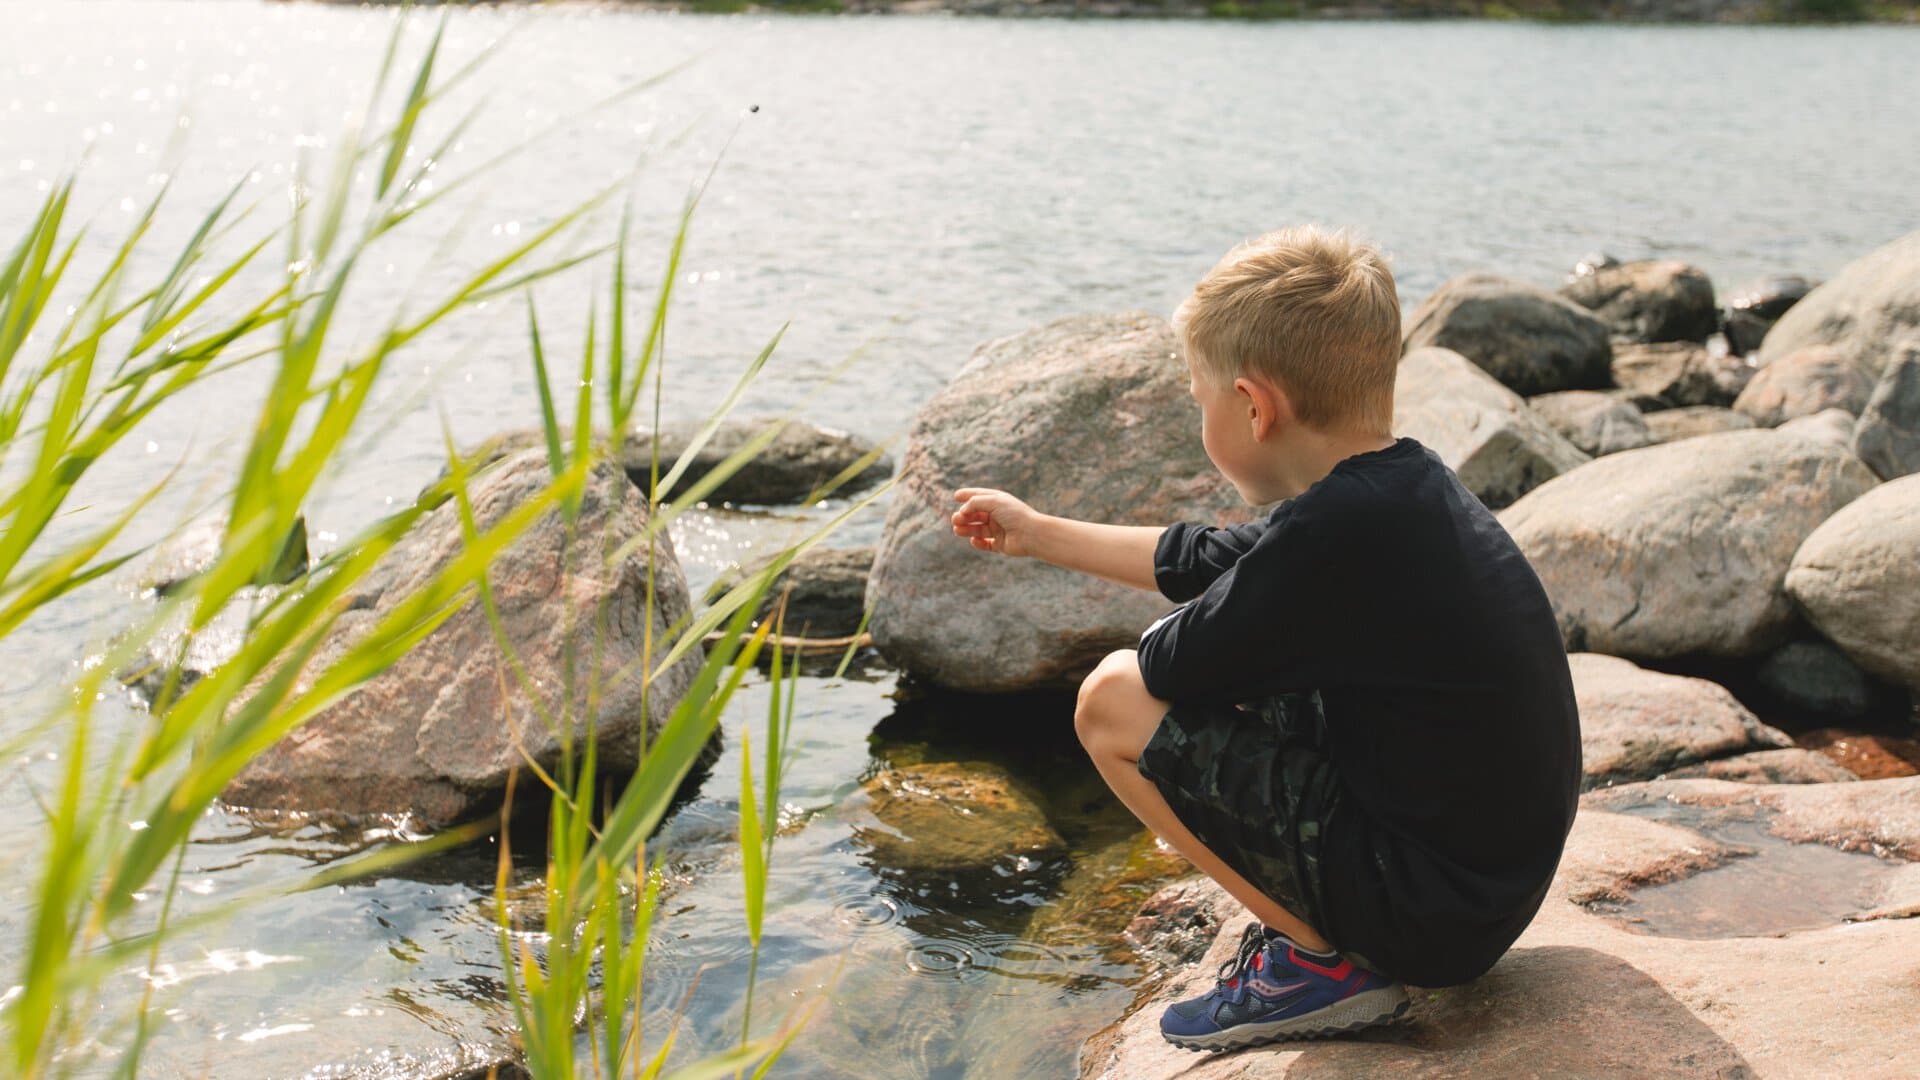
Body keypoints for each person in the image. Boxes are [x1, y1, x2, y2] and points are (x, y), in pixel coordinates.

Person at [947, 225, 1581, 1052]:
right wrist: (1037, 534)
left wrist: (1224, 633)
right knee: (1270, 666)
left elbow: (1167, 667)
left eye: (1199, 399)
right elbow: (1213, 559)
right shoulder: (1398, 490)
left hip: (1432, 914)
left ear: (1253, 405)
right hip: (1482, 889)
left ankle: (1318, 968)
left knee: (1110, 702)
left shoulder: (1331, 539)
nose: (1202, 415)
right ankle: (1326, 936)